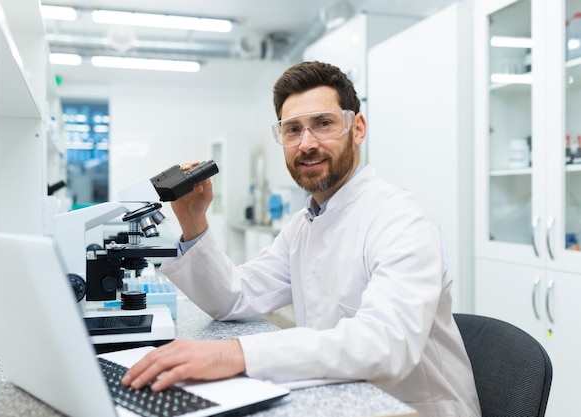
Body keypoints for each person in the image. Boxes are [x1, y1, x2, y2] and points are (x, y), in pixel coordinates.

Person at [121, 61, 481, 417]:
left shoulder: (401, 220)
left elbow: (386, 345)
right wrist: (194, 221)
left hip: (410, 409)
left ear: (357, 129)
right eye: (293, 130)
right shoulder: (304, 224)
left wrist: (236, 354)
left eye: (323, 124)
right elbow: (235, 298)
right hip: (334, 399)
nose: (307, 144)